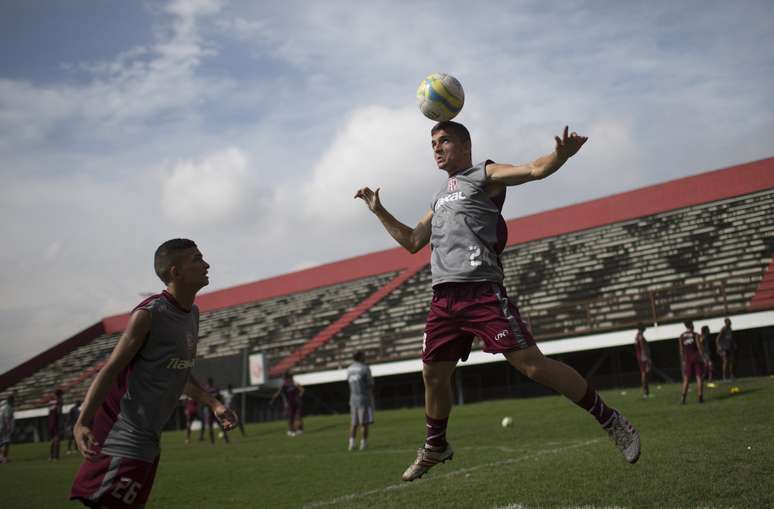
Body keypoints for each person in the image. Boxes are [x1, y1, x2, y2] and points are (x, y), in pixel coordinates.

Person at [356, 121, 640, 482]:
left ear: (465, 145)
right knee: (433, 374)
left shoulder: (484, 174)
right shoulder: (439, 195)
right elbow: (413, 240)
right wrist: (379, 210)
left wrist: (560, 155)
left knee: (534, 367)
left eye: (444, 141)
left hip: (482, 292)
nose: (436, 148)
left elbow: (534, 169)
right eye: (432, 143)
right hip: (444, 299)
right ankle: (435, 445)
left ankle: (610, 419)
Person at [70, 239, 238, 508]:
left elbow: (179, 373)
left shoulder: (192, 314)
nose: (206, 265)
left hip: (149, 439)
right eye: (197, 259)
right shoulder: (149, 314)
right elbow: (111, 368)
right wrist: (82, 422)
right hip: (121, 434)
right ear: (176, 272)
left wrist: (214, 404)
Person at [346, 351, 375, 451]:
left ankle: (351, 443)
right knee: (364, 423)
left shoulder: (349, 369)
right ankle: (363, 443)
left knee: (353, 423)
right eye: (364, 355)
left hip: (353, 398)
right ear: (360, 357)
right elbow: (370, 384)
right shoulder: (365, 368)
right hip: (363, 398)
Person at [679, 320, 705, 404]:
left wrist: (683, 360)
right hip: (696, 357)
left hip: (687, 359)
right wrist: (703, 357)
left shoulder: (681, 336)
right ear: (691, 325)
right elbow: (699, 347)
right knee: (699, 377)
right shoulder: (696, 335)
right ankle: (700, 397)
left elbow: (681, 350)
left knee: (686, 379)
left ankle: (683, 398)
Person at [199, 377, 229, 445]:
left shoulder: (207, 390)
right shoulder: (214, 389)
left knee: (215, 426)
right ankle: (223, 440)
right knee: (218, 426)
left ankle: (214, 442)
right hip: (213, 410)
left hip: (213, 410)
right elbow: (220, 398)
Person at [634, 324, 652, 398]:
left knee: (644, 373)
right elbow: (643, 348)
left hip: (639, 357)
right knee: (644, 374)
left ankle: (646, 392)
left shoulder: (636, 336)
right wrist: (647, 359)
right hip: (643, 357)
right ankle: (645, 392)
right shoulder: (640, 337)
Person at [48, 389, 64, 461]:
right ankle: (56, 457)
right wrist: (62, 421)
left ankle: (51, 456)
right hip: (56, 422)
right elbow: (59, 412)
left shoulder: (51, 402)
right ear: (60, 395)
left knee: (52, 440)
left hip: (50, 422)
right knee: (57, 439)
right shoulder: (59, 401)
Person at [0, 394, 15, 464]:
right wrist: (8, 426)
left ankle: (2, 458)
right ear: (11, 400)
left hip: (2, 427)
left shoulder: (5, 406)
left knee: (2, 443)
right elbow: (7, 418)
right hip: (4, 428)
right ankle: (4, 459)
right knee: (6, 443)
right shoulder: (8, 407)